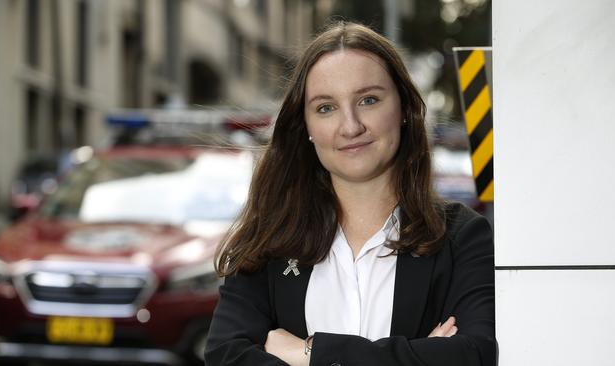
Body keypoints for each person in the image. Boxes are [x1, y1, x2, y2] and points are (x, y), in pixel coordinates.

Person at [205, 21, 495, 366]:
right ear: (306, 127)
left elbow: (472, 355)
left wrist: (310, 354)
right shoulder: (266, 242)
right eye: (326, 107)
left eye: (368, 100)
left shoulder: (462, 238)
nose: (351, 126)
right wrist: (419, 354)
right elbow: (226, 358)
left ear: (403, 109)